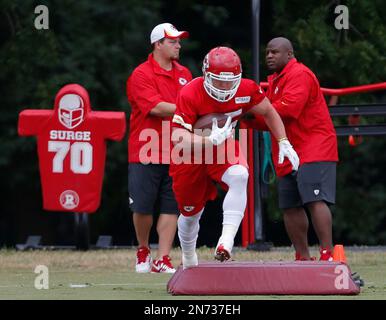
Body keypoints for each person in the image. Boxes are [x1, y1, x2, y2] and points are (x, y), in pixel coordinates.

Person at [170, 46, 299, 269]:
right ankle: (189, 256)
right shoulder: (190, 92)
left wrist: (283, 140)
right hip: (190, 153)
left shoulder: (247, 89)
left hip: (223, 147)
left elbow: (268, 111)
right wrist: (208, 140)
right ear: (206, 75)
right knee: (190, 214)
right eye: (219, 81)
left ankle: (226, 242)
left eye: (230, 81)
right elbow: (176, 136)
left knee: (240, 175)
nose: (225, 86)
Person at [246, 37, 339, 261]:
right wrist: (246, 116)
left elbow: (289, 109)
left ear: (290, 54)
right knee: (289, 205)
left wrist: (251, 109)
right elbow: (268, 119)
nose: (269, 56)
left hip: (314, 147)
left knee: (315, 199)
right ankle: (303, 257)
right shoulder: (277, 80)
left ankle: (327, 254)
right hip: (289, 150)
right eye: (267, 52)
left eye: (275, 52)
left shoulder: (300, 74)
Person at [126, 23, 192, 273]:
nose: (178, 45)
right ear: (158, 44)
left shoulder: (185, 73)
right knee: (142, 206)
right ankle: (143, 249)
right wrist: (189, 107)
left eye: (179, 41)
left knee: (170, 206)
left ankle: (163, 258)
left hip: (177, 149)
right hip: (146, 149)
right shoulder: (141, 74)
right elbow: (154, 107)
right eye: (173, 41)